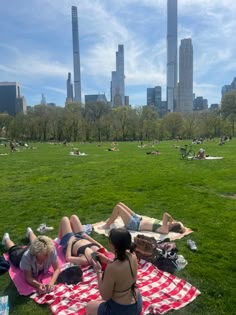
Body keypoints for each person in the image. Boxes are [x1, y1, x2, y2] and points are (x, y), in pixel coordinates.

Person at [86, 228, 142, 315]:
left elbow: (105, 296)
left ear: (113, 245)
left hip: (123, 310)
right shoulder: (132, 255)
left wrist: (98, 272)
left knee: (89, 306)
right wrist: (108, 260)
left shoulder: (112, 268)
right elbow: (122, 268)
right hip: (137, 303)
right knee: (98, 302)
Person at [2, 228, 60, 294]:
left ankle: (30, 232)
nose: (48, 256)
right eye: (45, 255)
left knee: (36, 241)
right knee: (14, 250)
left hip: (34, 249)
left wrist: (51, 282)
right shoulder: (26, 257)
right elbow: (28, 277)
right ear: (37, 254)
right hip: (19, 256)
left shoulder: (50, 250)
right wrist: (39, 285)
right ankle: (6, 239)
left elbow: (57, 269)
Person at [100, 202, 186, 234]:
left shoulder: (165, 229)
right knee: (120, 204)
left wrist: (171, 219)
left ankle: (108, 224)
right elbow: (181, 227)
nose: (174, 221)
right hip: (138, 218)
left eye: (175, 222)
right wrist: (175, 223)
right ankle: (112, 219)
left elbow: (165, 214)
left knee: (118, 208)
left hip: (135, 225)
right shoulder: (166, 225)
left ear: (173, 225)